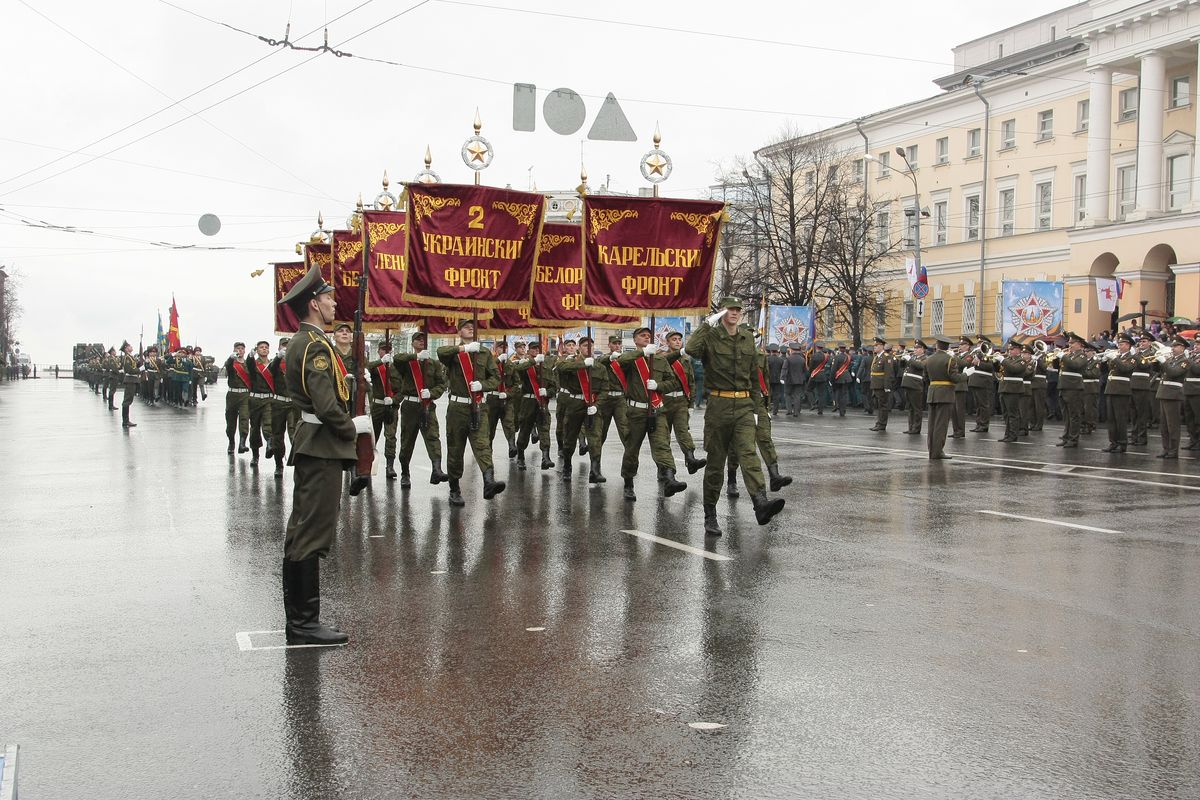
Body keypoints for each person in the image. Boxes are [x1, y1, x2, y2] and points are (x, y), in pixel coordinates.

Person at [277, 264, 369, 646]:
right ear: (315, 303)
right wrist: (353, 428)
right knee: (310, 533)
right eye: (329, 298)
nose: (335, 303)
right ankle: (303, 624)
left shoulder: (307, 341)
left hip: (314, 443)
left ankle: (302, 621)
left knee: (302, 531)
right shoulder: (314, 345)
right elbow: (326, 403)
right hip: (321, 445)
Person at [682, 298, 785, 537]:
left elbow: (753, 377)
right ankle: (710, 514)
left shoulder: (747, 338)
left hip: (744, 405)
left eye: (738, 310)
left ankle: (760, 502)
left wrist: (759, 409)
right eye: (730, 309)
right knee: (716, 462)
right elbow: (691, 349)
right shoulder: (711, 336)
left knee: (748, 453)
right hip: (719, 404)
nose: (735, 313)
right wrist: (707, 324)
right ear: (722, 313)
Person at [436, 320, 505, 506]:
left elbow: (495, 377)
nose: (471, 329)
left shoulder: (484, 353)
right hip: (458, 408)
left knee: (482, 445)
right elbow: (440, 353)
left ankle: (489, 482)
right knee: (456, 450)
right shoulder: (454, 352)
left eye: (473, 327)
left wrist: (482, 385)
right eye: (466, 327)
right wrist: (463, 350)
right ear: (459, 332)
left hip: (479, 406)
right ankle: (454, 489)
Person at [616, 326, 686, 501]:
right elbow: (620, 361)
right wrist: (642, 353)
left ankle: (670, 479)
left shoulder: (660, 360)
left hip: (657, 409)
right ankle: (628, 483)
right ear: (635, 340)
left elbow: (673, 382)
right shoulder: (631, 359)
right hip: (636, 411)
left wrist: (659, 386)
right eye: (642, 336)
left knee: (662, 445)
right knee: (632, 449)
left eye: (649, 336)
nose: (647, 338)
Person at [727, 338, 793, 495]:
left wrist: (766, 405)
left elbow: (766, 380)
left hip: (758, 403)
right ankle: (731, 481)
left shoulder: (761, 357)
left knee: (765, 438)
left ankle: (774, 475)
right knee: (735, 445)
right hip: (738, 402)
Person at [393, 332, 449, 488]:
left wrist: (431, 393)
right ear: (412, 343)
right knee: (407, 441)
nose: (421, 342)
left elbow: (441, 384)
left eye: (423, 340)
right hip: (410, 406)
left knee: (433, 437)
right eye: (418, 339)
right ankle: (405, 473)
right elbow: (397, 359)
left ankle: (436, 470)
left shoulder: (434, 364)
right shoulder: (407, 362)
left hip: (427, 405)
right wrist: (415, 358)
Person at [662, 329, 706, 474]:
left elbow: (691, 383)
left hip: (681, 401)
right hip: (664, 401)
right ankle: (664, 468)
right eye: (673, 339)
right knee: (663, 436)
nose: (677, 342)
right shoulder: (660, 358)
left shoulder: (686, 360)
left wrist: (691, 404)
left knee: (683, 431)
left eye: (679, 340)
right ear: (667, 342)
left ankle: (690, 459)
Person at [512, 341, 554, 471]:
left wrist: (547, 392)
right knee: (524, 430)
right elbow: (516, 370)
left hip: (542, 402)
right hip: (528, 402)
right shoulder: (524, 364)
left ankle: (545, 458)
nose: (536, 351)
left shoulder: (546, 364)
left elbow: (554, 385)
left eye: (538, 349)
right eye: (534, 349)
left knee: (544, 429)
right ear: (529, 351)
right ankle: (520, 457)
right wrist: (533, 361)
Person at [366, 340, 401, 480]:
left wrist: (394, 400)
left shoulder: (395, 368)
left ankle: (390, 466)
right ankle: (368, 463)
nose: (386, 351)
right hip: (377, 406)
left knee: (391, 436)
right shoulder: (376, 366)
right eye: (383, 349)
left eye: (388, 349)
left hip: (390, 405)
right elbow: (365, 368)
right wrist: (381, 362)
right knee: (372, 437)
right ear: (378, 351)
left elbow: (402, 389)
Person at [594, 335, 630, 452]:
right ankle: (596, 460)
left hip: (620, 399)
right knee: (601, 430)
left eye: (619, 343)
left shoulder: (624, 359)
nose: (617, 346)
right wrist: (610, 358)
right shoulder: (604, 359)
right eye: (614, 343)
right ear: (609, 345)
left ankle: (630, 460)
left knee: (625, 430)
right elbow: (597, 362)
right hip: (606, 398)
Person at [925, 336, 958, 459]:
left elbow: (925, 377)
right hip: (945, 394)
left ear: (937, 346)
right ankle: (937, 452)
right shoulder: (950, 360)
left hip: (932, 392)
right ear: (947, 347)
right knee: (941, 424)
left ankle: (931, 451)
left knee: (932, 424)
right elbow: (955, 378)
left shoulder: (929, 359)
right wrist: (966, 374)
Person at [1102, 333, 1136, 453]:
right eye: (1119, 344)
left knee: (1120, 418)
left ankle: (1122, 443)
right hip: (1111, 388)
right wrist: (1105, 360)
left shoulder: (1132, 357)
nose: (1119, 346)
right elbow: (1107, 371)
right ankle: (1113, 442)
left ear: (1128, 345)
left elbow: (1125, 369)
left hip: (1122, 390)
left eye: (1121, 344)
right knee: (1111, 419)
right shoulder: (1119, 357)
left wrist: (1115, 358)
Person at [1156, 336, 1189, 459]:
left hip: (1173, 394)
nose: (1173, 348)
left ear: (1182, 348)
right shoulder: (1170, 360)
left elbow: (1174, 373)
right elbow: (1159, 371)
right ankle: (1166, 448)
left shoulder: (1185, 361)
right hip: (1163, 392)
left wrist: (1164, 362)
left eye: (1176, 346)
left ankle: (1173, 450)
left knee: (1172, 425)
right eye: (1173, 346)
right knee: (1164, 425)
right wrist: (1159, 361)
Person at [1056, 333, 1090, 448]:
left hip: (1074, 387)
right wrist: (1057, 357)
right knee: (1066, 415)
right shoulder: (1069, 355)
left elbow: (1076, 366)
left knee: (1074, 415)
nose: (1069, 345)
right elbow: (1057, 367)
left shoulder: (1082, 356)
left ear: (1079, 344)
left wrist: (1063, 356)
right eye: (1069, 343)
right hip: (1064, 386)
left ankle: (1073, 438)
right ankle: (1066, 436)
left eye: (1072, 343)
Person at [268, 338, 295, 476]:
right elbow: (271, 369)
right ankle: (279, 464)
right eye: (284, 346)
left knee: (294, 432)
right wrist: (278, 358)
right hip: (279, 403)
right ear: (279, 348)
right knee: (278, 435)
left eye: (288, 346)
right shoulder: (275, 362)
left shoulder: (296, 361)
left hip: (293, 403)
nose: (286, 348)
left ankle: (298, 463)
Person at [246, 340, 275, 467]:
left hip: (269, 399)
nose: (264, 349)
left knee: (268, 424)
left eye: (266, 347)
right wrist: (250, 356)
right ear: (257, 350)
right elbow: (249, 365)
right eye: (261, 347)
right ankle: (255, 455)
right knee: (255, 428)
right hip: (255, 400)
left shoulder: (273, 364)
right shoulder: (254, 364)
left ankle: (270, 444)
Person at [223, 342, 252, 454]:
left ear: (244, 351)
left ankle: (242, 443)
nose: (240, 350)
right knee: (230, 421)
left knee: (244, 419)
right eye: (237, 348)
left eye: (242, 349)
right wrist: (231, 358)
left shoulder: (248, 364)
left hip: (244, 395)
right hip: (232, 395)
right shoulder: (232, 363)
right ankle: (231, 442)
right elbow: (228, 366)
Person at [998, 340, 1027, 443]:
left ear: (1018, 350)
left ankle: (1013, 435)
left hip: (1013, 389)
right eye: (1009, 349)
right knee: (1006, 414)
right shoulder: (1008, 359)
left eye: (1012, 349)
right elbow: (1000, 371)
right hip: (1004, 388)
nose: (1009, 351)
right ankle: (1007, 434)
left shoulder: (1022, 360)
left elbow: (1014, 369)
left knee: (1013, 414)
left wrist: (1003, 360)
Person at [1130, 333, 1156, 446]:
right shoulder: (1138, 354)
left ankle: (1142, 437)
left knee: (1141, 413)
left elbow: (1143, 365)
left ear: (1150, 343)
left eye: (1144, 341)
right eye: (1140, 342)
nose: (1141, 344)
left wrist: (1135, 354)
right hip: (1133, 385)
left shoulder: (1151, 354)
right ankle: (1134, 435)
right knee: (1133, 413)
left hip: (1143, 385)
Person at [968, 336, 996, 432]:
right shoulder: (978, 354)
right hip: (975, 381)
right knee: (978, 405)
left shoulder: (989, 353)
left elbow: (990, 366)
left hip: (984, 381)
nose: (979, 345)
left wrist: (978, 363)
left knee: (984, 404)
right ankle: (979, 423)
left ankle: (984, 425)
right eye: (978, 343)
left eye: (981, 343)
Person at [900, 340, 927, 435]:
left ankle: (916, 428)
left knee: (917, 408)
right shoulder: (913, 357)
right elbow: (902, 367)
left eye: (917, 348)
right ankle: (911, 427)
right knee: (910, 407)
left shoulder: (925, 358)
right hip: (908, 384)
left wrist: (910, 359)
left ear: (922, 349)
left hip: (916, 385)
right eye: (915, 348)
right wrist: (903, 360)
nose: (915, 350)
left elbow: (921, 366)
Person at [867, 338, 894, 432]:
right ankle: (879, 423)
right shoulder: (877, 357)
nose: (874, 347)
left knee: (883, 405)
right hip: (875, 384)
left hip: (882, 385)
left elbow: (888, 373)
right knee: (878, 405)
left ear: (882, 346)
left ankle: (882, 424)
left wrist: (887, 386)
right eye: (874, 345)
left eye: (876, 345)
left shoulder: (886, 357)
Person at [950, 336, 972, 438]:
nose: (960, 346)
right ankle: (955, 430)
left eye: (963, 344)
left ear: (968, 346)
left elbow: (964, 364)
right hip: (954, 384)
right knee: (953, 411)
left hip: (961, 385)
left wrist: (953, 356)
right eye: (960, 344)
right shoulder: (958, 355)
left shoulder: (969, 355)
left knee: (959, 410)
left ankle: (961, 431)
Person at [805, 340, 831, 414]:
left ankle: (813, 403)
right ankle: (820, 410)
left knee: (808, 390)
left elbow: (811, 366)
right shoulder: (826, 356)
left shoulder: (814, 356)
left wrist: (810, 374)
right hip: (822, 375)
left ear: (816, 347)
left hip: (815, 375)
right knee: (821, 394)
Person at [782, 341, 807, 415]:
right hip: (799, 380)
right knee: (797, 396)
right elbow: (804, 370)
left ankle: (789, 410)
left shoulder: (788, 359)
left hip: (789, 380)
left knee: (787, 394)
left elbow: (784, 368)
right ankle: (796, 412)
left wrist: (782, 378)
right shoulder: (802, 359)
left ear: (792, 350)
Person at [119, 340, 140, 428]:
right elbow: (129, 370)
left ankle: (126, 420)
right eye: (129, 346)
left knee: (129, 400)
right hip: (130, 380)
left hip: (132, 380)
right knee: (127, 401)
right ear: (126, 348)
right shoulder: (127, 358)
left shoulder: (130, 357)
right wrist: (140, 370)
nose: (131, 347)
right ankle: (125, 421)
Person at [1185, 337, 1200, 450]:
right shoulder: (1192, 357)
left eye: (1199, 345)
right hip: (1187, 390)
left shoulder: (1191, 359)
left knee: (1198, 418)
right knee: (1189, 418)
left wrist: (1188, 360)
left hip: (1197, 390)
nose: (1196, 346)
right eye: (1196, 344)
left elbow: (1197, 370)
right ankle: (1193, 440)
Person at [830, 344, 853, 416]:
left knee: (839, 394)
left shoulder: (837, 357)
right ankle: (843, 410)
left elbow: (834, 369)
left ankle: (839, 408)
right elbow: (849, 367)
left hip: (839, 377)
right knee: (844, 394)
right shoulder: (848, 357)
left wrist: (832, 379)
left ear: (839, 349)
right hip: (847, 377)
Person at [766, 343, 785, 416]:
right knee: (776, 395)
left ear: (771, 351)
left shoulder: (767, 359)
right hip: (777, 379)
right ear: (777, 351)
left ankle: (767, 407)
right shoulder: (780, 360)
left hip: (769, 379)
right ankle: (775, 410)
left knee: (767, 394)